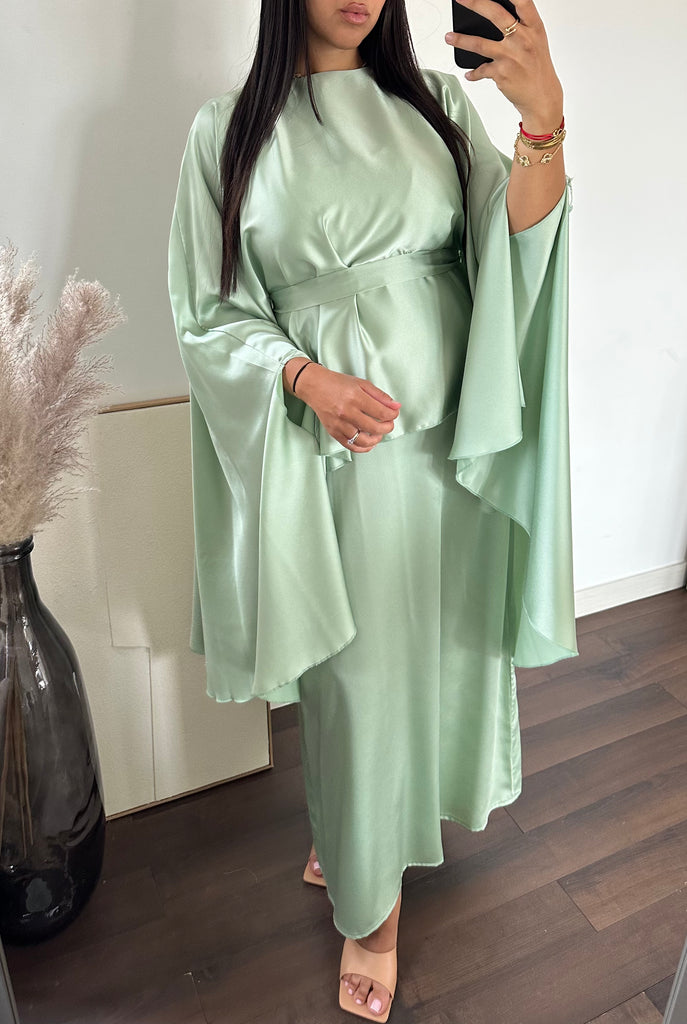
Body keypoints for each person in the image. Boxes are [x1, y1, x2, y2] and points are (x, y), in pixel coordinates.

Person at [168, 0, 579, 1019]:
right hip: (339, 447)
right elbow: (207, 310)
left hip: (455, 439)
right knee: (356, 680)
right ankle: (370, 905)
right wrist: (303, 376)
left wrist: (543, 123)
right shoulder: (227, 130)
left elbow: (515, 243)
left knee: (437, 651)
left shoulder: (434, 103)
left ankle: (366, 828)